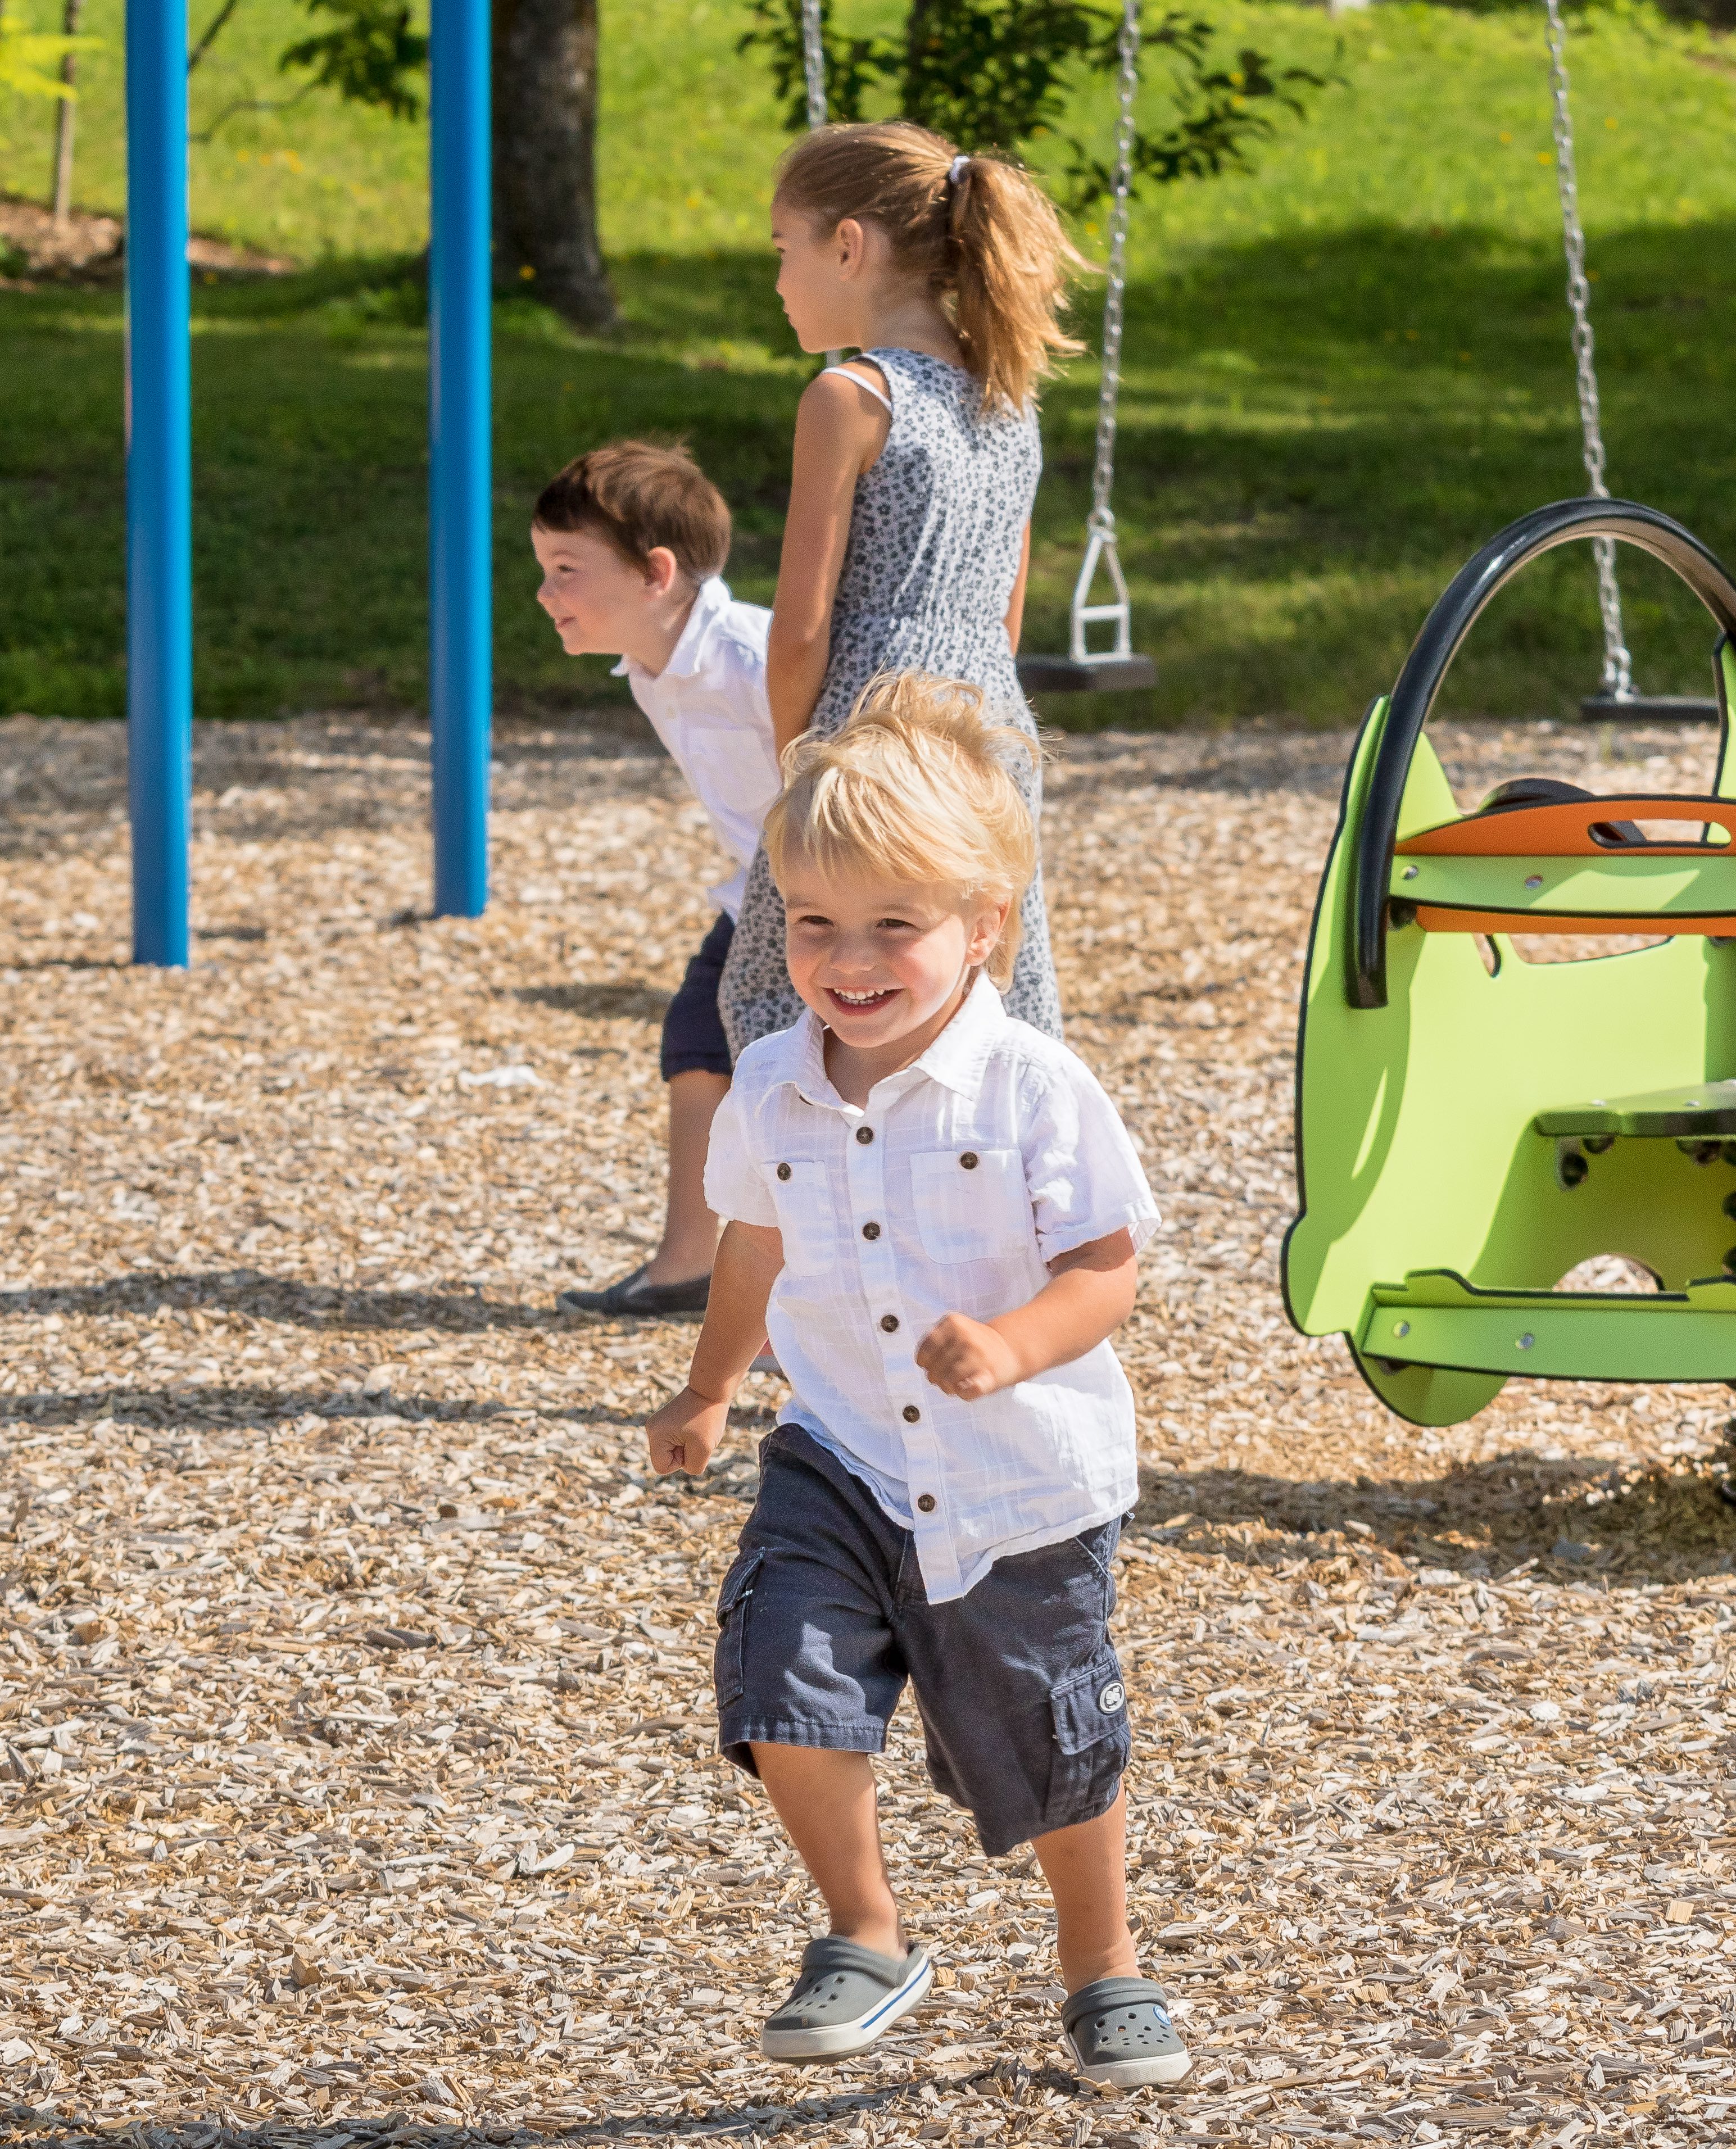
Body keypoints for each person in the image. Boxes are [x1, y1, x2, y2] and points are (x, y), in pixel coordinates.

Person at [647, 672, 1189, 2087]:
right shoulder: (770, 1081)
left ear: (984, 928)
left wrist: (1010, 1344)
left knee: (1051, 1740)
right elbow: (755, 1247)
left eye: (896, 924)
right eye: (816, 924)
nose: (851, 957)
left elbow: (1109, 1268)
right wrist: (711, 1387)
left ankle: (1102, 1966)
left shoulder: (1033, 1086)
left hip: (1018, 1481)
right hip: (836, 1451)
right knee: (779, 1679)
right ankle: (865, 1932)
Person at [716, 120, 1078, 1062]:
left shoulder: (849, 398)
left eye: (781, 250)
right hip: (989, 723)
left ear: (848, 247)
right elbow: (1005, 613)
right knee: (965, 969)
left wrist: (797, 761)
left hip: (868, 719)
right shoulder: (1008, 399)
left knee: (792, 991)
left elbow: (800, 629)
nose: (778, 281)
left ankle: (815, 1192)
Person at [531, 441, 781, 1321]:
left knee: (787, 1068)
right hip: (762, 889)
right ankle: (686, 1266)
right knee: (697, 1039)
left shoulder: (754, 658)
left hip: (821, 897)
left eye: (566, 570)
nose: (544, 593)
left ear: (656, 574)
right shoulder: (652, 667)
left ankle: (805, 1281)